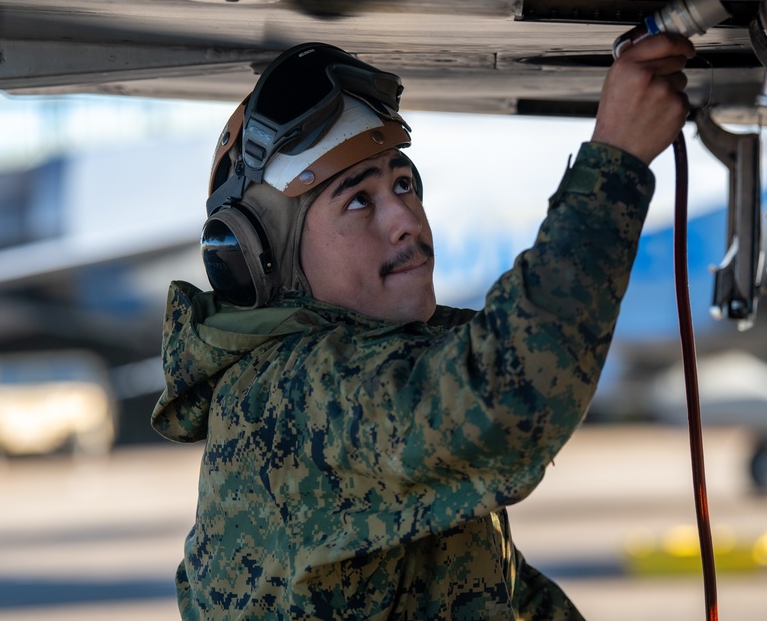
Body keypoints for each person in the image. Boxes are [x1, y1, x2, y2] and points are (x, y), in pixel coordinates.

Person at [152, 35, 695, 620]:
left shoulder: (367, 381)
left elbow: (487, 592)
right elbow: (504, 396)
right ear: (264, 259)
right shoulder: (291, 395)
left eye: (403, 184)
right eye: (359, 201)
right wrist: (615, 159)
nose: (405, 220)